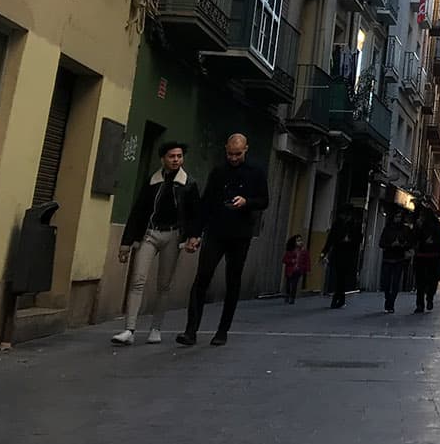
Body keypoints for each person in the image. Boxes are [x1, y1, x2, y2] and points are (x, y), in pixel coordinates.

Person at [177, 134, 269, 347]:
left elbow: (264, 200)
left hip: (240, 234)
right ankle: (191, 330)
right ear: (225, 149)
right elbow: (206, 203)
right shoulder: (218, 171)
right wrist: (195, 234)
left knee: (233, 281)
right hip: (216, 232)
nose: (234, 158)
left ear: (246, 149)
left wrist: (247, 202)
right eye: (230, 153)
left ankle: (222, 330)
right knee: (202, 278)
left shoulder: (256, 172)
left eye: (238, 154)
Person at [112, 140, 202, 345]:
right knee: (137, 280)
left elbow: (196, 214)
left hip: (173, 235)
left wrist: (193, 237)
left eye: (179, 156)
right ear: (163, 159)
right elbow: (138, 211)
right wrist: (126, 243)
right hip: (149, 234)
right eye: (172, 156)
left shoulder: (189, 184)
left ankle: (156, 328)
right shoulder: (152, 182)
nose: (176, 160)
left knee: (164, 285)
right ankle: (129, 329)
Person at [322, 206, 362, 309]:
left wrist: (350, 241)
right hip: (338, 253)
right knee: (339, 277)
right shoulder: (337, 225)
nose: (345, 217)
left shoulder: (354, 225)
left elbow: (358, 240)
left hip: (348, 254)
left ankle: (337, 298)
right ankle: (340, 298)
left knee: (342, 277)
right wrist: (324, 252)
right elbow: (331, 239)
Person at [411, 207, 440, 313]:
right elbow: (413, 238)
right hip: (427, 257)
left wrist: (433, 241)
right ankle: (424, 301)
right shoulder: (422, 225)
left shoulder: (435, 225)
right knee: (426, 282)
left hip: (428, 257)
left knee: (425, 282)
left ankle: (424, 302)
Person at [377, 209, 413, 314]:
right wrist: (390, 245)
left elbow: (410, 243)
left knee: (396, 282)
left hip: (399, 258)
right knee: (386, 282)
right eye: (396, 216)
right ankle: (388, 298)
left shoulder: (405, 230)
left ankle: (391, 303)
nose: (398, 219)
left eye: (399, 217)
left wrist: (402, 245)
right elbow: (381, 243)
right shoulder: (387, 229)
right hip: (388, 257)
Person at [282, 235, 310, 304]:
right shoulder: (290, 251)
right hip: (290, 270)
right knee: (288, 284)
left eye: (301, 240)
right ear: (294, 242)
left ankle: (292, 298)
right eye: (298, 241)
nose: (300, 242)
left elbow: (307, 260)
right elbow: (284, 260)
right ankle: (287, 295)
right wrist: (291, 261)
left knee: (294, 285)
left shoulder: (304, 251)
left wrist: (306, 269)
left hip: (298, 271)